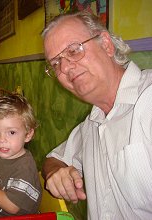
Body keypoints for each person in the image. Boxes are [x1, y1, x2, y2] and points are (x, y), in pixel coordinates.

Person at [41, 10, 152, 219]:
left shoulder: (147, 103)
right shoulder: (92, 123)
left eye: (73, 50)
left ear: (106, 45)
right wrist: (55, 173)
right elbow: (53, 159)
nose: (64, 68)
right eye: (55, 64)